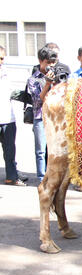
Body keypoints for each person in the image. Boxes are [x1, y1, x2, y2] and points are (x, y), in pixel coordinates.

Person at [26, 46, 58, 182]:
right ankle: (41, 178)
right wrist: (47, 84)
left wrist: (56, 84)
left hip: (54, 118)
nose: (50, 66)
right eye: (48, 63)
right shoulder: (33, 79)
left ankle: (53, 177)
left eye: (53, 63)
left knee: (53, 151)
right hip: (40, 118)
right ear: (40, 61)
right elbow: (38, 100)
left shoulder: (56, 77)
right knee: (41, 151)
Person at [0, 46, 26, 186]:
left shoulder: (6, 73)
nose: (1, 61)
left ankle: (11, 176)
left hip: (7, 118)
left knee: (10, 151)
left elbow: (12, 93)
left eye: (2, 58)